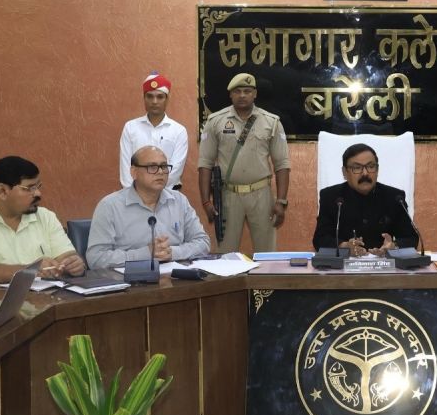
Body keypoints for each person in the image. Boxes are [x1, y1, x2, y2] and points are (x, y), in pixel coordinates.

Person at [198, 73, 290, 253]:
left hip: (261, 194)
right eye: (237, 91)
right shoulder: (215, 121)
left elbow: (282, 165)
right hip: (228, 195)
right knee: (225, 254)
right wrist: (206, 202)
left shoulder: (271, 122)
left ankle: (265, 274)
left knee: (266, 253)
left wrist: (281, 201)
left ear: (255, 94)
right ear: (230, 94)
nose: (242, 95)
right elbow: (205, 164)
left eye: (247, 91)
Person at [0, 156, 85, 283]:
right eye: (30, 188)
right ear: (3, 191)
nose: (38, 193)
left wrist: (74, 264)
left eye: (38, 187)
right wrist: (30, 270)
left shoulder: (46, 217)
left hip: (44, 296)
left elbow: (66, 255)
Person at [87, 146, 210, 269]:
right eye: (152, 167)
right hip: (129, 279)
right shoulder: (109, 206)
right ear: (134, 172)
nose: (160, 172)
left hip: (175, 276)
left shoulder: (179, 201)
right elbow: (96, 258)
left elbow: (203, 242)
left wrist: (172, 253)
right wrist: (146, 254)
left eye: (164, 166)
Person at [312, 143, 419, 256]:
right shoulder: (331, 197)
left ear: (377, 170)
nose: (365, 173)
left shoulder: (395, 197)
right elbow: (319, 240)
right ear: (344, 172)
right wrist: (344, 246)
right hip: (344, 264)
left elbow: (411, 239)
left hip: (383, 264)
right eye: (357, 168)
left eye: (371, 166)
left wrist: (394, 246)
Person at [119, 73, 188, 190]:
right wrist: (133, 194)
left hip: (169, 192)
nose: (154, 101)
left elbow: (176, 169)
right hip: (135, 194)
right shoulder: (130, 127)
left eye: (160, 97)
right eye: (150, 96)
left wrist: (156, 191)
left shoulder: (179, 131)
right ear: (144, 98)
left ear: (167, 99)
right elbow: (126, 167)